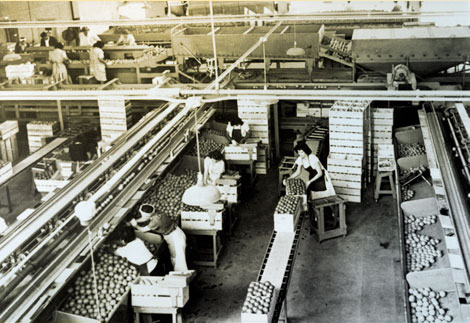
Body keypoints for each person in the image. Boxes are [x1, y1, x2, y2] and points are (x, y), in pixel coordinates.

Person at [131, 204, 189, 272]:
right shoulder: (157, 212)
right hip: (177, 232)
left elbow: (142, 230)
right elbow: (145, 218)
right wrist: (136, 220)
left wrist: (135, 225)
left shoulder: (154, 222)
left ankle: (182, 279)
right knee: (178, 259)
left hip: (175, 239)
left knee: (178, 262)